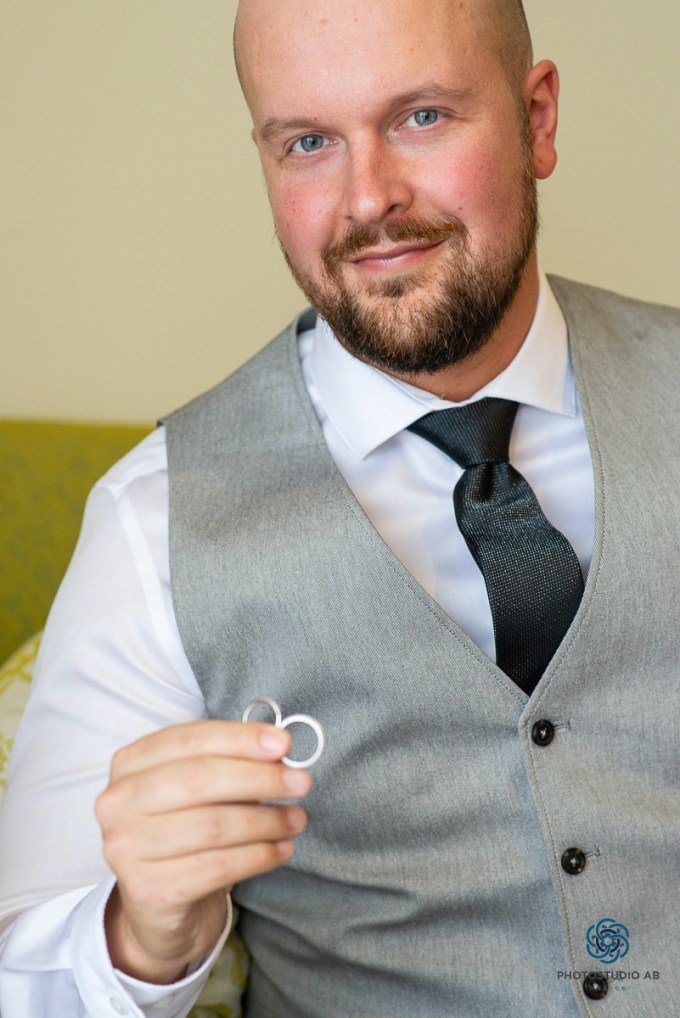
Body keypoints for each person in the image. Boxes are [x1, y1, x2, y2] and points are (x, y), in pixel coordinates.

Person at [1, 0, 679, 1015]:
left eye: (421, 117)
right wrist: (142, 936)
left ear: (536, 119)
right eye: (308, 142)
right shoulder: (156, 521)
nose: (369, 200)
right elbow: (27, 985)